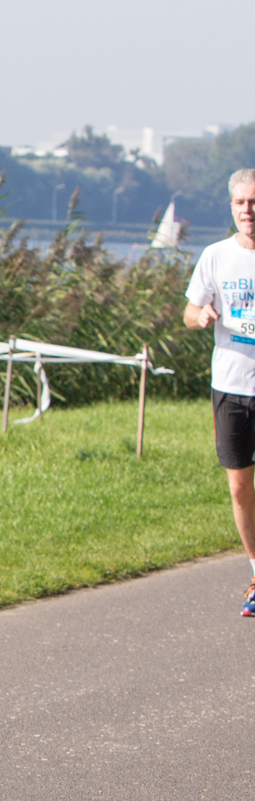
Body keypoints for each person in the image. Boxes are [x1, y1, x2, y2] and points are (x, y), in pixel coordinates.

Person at [184, 168, 255, 617]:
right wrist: (203, 314)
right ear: (231, 207)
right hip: (231, 386)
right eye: (241, 203)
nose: (249, 210)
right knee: (239, 486)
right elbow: (189, 311)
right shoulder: (216, 256)